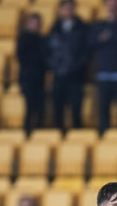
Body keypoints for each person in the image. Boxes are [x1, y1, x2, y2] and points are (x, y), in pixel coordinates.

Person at [90, 0, 117, 133]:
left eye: (115, 3)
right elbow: (92, 42)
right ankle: (105, 137)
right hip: (104, 74)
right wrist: (106, 38)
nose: (112, 6)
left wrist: (105, 38)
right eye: (110, 3)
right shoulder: (98, 25)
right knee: (103, 110)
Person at [48, 0, 89, 131]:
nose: (67, 10)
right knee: (58, 109)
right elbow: (48, 51)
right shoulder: (54, 28)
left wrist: (75, 67)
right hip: (59, 76)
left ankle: (77, 135)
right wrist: (55, 66)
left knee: (76, 108)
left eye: (70, 7)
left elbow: (86, 52)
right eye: (65, 8)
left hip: (76, 76)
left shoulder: (82, 28)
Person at [17, 13, 48, 133]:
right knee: (29, 106)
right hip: (27, 78)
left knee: (40, 107)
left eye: (37, 24)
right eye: (33, 23)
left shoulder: (42, 40)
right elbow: (21, 57)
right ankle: (27, 131)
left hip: (40, 78)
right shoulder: (23, 39)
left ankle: (39, 130)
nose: (35, 26)